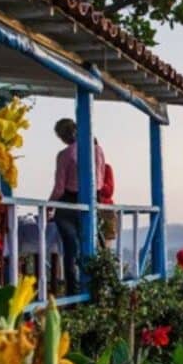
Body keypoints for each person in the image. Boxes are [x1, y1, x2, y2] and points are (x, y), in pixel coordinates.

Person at [48, 117, 104, 296]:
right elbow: (100, 181)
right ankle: (94, 290)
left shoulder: (65, 155)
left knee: (70, 251)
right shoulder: (97, 150)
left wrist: (49, 205)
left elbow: (59, 188)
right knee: (90, 247)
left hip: (69, 204)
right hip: (93, 199)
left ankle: (73, 294)